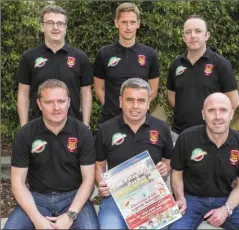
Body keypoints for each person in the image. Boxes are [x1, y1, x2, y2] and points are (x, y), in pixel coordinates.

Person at [4, 79, 99, 229]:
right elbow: (17, 183)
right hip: (37, 197)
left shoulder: (82, 133)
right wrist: (37, 219)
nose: (56, 108)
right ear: (39, 104)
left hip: (73, 196)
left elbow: (88, 181)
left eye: (61, 101)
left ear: (69, 102)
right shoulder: (26, 134)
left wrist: (70, 215)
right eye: (49, 102)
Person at [169, 92, 239, 229]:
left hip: (226, 199)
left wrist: (226, 209)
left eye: (223, 110)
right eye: (211, 111)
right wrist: (180, 198)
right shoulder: (187, 138)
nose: (217, 116)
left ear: (231, 114)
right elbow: (177, 173)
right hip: (191, 200)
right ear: (203, 114)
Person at [95, 78, 172, 229]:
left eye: (141, 101)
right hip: (116, 197)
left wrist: (164, 168)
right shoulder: (106, 129)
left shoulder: (162, 128)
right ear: (120, 101)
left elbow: (168, 161)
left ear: (148, 103)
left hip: (151, 196)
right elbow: (99, 165)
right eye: (130, 100)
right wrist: (101, 183)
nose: (135, 106)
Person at [167, 15, 239, 143]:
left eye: (198, 31)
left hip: (210, 135)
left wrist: (217, 125)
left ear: (207, 35)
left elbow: (233, 101)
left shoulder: (221, 64)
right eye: (188, 32)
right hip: (179, 134)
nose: (193, 35)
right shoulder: (175, 65)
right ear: (184, 38)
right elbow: (172, 98)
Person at [17, 5, 92, 127]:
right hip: (37, 127)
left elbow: (86, 93)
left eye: (60, 23)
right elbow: (23, 93)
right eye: (50, 23)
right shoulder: (29, 57)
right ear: (42, 26)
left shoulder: (80, 57)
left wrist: (85, 124)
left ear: (65, 27)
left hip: (73, 127)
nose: (55, 27)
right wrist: (24, 126)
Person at [94, 2, 159, 123]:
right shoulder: (104, 54)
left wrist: (136, 110)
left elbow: (153, 89)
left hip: (141, 121)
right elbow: (99, 88)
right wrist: (113, 107)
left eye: (132, 22)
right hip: (110, 120)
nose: (128, 27)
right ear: (116, 23)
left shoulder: (150, 54)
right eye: (124, 22)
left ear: (138, 24)